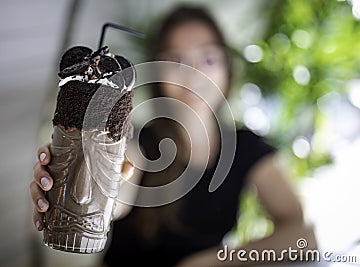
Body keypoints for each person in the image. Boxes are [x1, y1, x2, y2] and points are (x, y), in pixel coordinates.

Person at [30, 5, 317, 267]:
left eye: (207, 58)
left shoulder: (246, 148)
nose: (192, 74)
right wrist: (90, 184)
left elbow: (303, 237)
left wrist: (210, 262)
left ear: (227, 68)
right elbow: (118, 193)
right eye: (176, 60)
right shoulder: (135, 140)